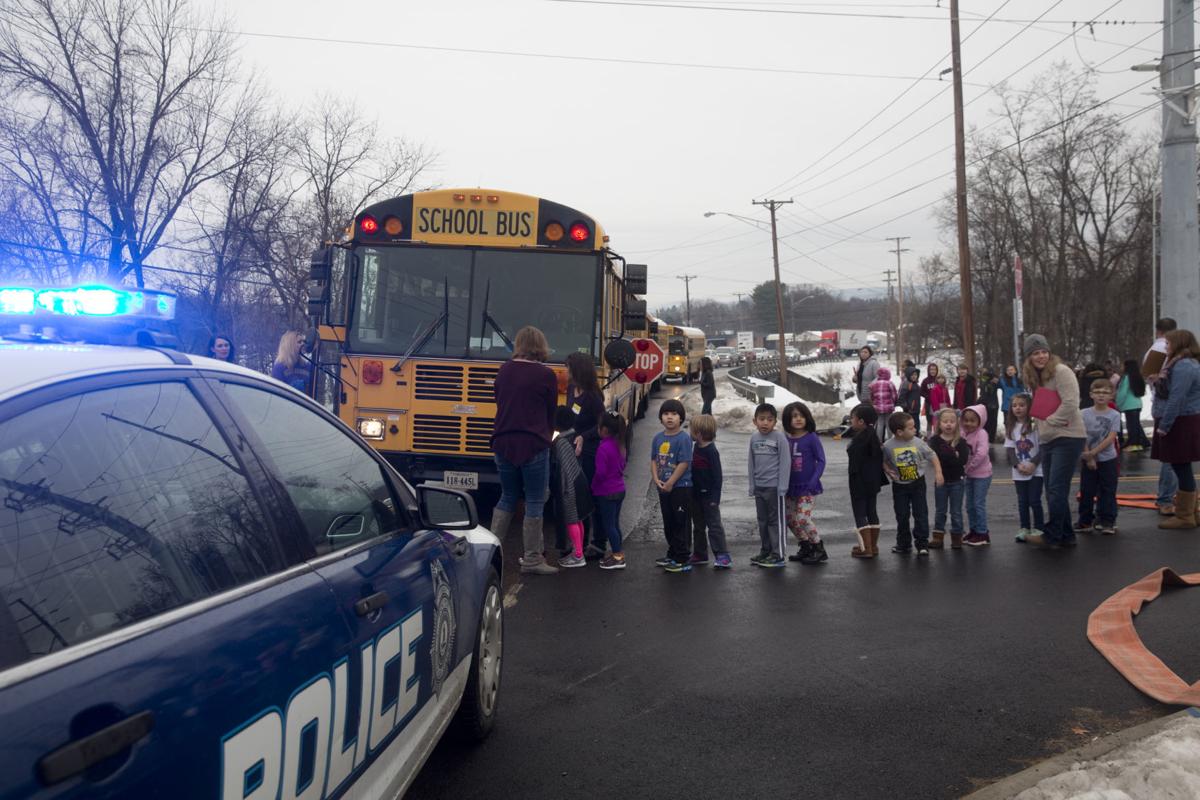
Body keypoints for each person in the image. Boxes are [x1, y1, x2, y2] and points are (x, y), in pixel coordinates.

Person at [490, 326, 559, 575]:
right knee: (535, 500)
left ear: (518, 344)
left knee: (507, 496)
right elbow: (551, 412)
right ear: (540, 345)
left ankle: (489, 553)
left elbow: (499, 401)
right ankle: (532, 559)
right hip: (533, 444)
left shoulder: (504, 370)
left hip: (503, 442)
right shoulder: (546, 375)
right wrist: (547, 436)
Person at [1021, 334, 1087, 550]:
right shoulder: (1036, 378)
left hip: (1068, 436)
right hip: (1048, 438)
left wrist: (1050, 420)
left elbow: (1071, 403)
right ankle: (1066, 535)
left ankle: (1052, 535)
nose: (1041, 356)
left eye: (1044, 352)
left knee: (1057, 489)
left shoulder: (1061, 371)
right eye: (1035, 353)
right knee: (1051, 490)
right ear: (1029, 358)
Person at [1152, 329, 1200, 530]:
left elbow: (1177, 398)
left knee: (1180, 465)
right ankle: (1191, 513)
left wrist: (1164, 426)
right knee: (1182, 466)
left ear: (1179, 343)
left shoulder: (1184, 365)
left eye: (1169, 343)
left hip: (1181, 420)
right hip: (1181, 418)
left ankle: (1185, 516)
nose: (1166, 346)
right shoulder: (1179, 363)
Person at [881, 412, 943, 556]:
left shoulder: (918, 442)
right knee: (902, 515)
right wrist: (887, 470)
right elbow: (882, 460)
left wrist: (938, 472)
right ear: (899, 432)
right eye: (911, 428)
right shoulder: (888, 446)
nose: (915, 430)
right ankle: (903, 543)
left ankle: (922, 543)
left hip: (917, 483)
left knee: (920, 513)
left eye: (914, 426)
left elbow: (932, 455)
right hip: (899, 485)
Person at [564, 352, 605, 560]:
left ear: (577, 370)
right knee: (577, 496)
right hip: (573, 448)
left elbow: (602, 426)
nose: (566, 371)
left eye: (568, 368)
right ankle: (580, 542)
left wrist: (583, 437)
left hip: (590, 451)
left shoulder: (593, 396)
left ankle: (598, 543)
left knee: (591, 495)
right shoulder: (571, 388)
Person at [652, 398, 694, 573]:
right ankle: (673, 553)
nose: (669, 417)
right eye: (666, 414)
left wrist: (670, 482)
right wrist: (656, 479)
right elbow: (654, 460)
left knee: (680, 522)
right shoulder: (658, 438)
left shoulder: (683, 438)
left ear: (681, 418)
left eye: (674, 414)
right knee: (668, 521)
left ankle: (683, 558)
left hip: (681, 487)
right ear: (661, 417)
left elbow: (684, 463)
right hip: (663, 487)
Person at [782, 401, 827, 564]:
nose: (798, 419)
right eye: (794, 416)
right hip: (790, 487)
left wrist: (814, 480)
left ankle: (818, 548)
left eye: (801, 415)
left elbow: (821, 460)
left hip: (808, 487)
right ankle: (805, 546)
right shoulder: (786, 439)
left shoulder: (811, 438)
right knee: (790, 519)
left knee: (802, 518)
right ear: (788, 420)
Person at [747, 402, 791, 568]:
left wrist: (782, 487)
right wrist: (752, 485)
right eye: (762, 419)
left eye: (769, 419)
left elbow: (785, 462)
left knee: (775, 522)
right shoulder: (754, 438)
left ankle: (778, 554)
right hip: (760, 487)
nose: (765, 423)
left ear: (775, 422)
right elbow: (751, 463)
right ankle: (766, 551)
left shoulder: (779, 438)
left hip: (775, 489)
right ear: (755, 421)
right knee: (763, 521)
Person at [550, 407, 594, 568]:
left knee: (571, 520)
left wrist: (565, 490)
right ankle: (578, 550)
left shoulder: (561, 442)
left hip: (571, 486)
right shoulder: (573, 435)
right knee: (578, 519)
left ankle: (578, 556)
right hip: (580, 481)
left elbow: (566, 470)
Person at [1076, 380, 1121, 536]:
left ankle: (1107, 521)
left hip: (1108, 459)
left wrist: (1093, 453)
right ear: (1091, 394)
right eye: (1098, 392)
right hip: (1087, 457)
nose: (1101, 395)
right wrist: (1088, 457)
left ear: (1111, 396)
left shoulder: (1115, 414)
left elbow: (1111, 437)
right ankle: (1085, 521)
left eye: (1105, 392)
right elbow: (1081, 434)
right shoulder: (1083, 413)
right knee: (1087, 490)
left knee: (1108, 490)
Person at [1145, 317, 1179, 516]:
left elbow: (1149, 376)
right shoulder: (1162, 349)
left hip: (1161, 402)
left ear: (1158, 330)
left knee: (1173, 455)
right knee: (1173, 455)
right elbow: (1154, 379)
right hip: (1166, 403)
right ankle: (1166, 497)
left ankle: (1168, 495)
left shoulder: (1154, 350)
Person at [689, 413, 732, 568]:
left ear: (699, 434)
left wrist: (715, 497)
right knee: (698, 526)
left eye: (691, 430)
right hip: (696, 494)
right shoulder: (696, 447)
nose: (689, 432)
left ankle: (722, 554)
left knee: (714, 526)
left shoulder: (711, 451)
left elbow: (717, 476)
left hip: (709, 496)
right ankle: (700, 553)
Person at [847, 404, 887, 559]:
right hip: (873, 481)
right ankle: (873, 546)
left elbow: (855, 463)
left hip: (859, 481)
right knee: (871, 511)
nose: (851, 421)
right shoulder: (874, 437)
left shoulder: (859, 440)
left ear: (861, 421)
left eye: (852, 418)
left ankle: (866, 548)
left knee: (860, 513)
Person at [1005, 393, 1044, 543]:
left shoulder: (1036, 425)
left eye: (1022, 405)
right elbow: (1010, 449)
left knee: (1034, 500)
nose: (1018, 408)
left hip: (1037, 470)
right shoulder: (1011, 426)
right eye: (1014, 405)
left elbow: (1043, 448)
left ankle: (1039, 528)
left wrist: (1033, 463)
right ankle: (1024, 528)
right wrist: (1017, 465)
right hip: (1019, 470)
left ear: (1029, 407)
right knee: (1022, 501)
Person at [929, 407, 970, 549]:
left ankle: (957, 536)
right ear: (939, 423)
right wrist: (953, 455)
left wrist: (948, 457)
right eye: (945, 421)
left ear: (957, 423)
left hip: (957, 481)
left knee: (956, 511)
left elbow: (963, 460)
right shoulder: (935, 441)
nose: (948, 424)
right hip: (941, 481)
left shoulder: (961, 442)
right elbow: (935, 458)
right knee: (940, 510)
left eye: (952, 421)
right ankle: (938, 537)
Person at [591, 412, 628, 570]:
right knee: (615, 524)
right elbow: (623, 465)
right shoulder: (620, 445)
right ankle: (618, 553)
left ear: (604, 430)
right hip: (620, 489)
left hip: (606, 492)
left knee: (609, 526)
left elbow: (600, 473)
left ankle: (618, 557)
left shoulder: (603, 448)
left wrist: (593, 486)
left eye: (598, 427)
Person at [960, 404, 993, 546]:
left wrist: (968, 468)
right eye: (966, 420)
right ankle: (973, 530)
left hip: (982, 475)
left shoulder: (982, 434)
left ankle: (982, 533)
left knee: (978, 504)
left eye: (972, 421)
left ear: (980, 421)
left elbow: (981, 453)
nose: (968, 423)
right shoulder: (963, 433)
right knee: (969, 505)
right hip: (969, 475)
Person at [1115, 359, 1150, 451]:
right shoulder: (1137, 377)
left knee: (1131, 427)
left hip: (1129, 405)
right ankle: (1143, 442)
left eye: (1123, 365)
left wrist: (1117, 403)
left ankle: (1134, 444)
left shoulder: (1126, 378)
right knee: (1136, 425)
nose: (1121, 367)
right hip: (1137, 404)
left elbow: (1122, 393)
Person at [869, 366, 898, 442]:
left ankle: (879, 441)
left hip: (878, 407)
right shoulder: (890, 383)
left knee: (880, 423)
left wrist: (874, 404)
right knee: (888, 423)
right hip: (888, 407)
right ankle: (890, 440)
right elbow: (894, 395)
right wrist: (894, 403)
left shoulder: (874, 384)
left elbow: (872, 396)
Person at [897, 365, 924, 435]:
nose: (914, 376)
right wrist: (906, 407)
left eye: (915, 375)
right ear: (908, 375)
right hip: (909, 411)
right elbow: (901, 398)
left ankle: (916, 437)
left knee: (916, 426)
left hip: (916, 410)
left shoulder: (916, 384)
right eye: (912, 375)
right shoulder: (907, 384)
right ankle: (910, 438)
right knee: (910, 427)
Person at [978, 369, 1000, 443]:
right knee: (985, 422)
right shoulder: (983, 380)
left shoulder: (994, 381)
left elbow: (996, 381)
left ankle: (991, 440)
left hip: (993, 404)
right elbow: (983, 388)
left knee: (993, 423)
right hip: (984, 404)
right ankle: (984, 439)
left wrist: (991, 377)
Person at [920, 363, 941, 431]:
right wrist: (928, 397)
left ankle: (937, 434)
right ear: (928, 370)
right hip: (929, 404)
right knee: (929, 421)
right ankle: (929, 435)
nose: (933, 371)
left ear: (937, 370)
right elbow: (921, 392)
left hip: (938, 404)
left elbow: (943, 390)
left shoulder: (939, 380)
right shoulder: (925, 381)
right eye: (931, 369)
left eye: (934, 369)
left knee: (938, 420)